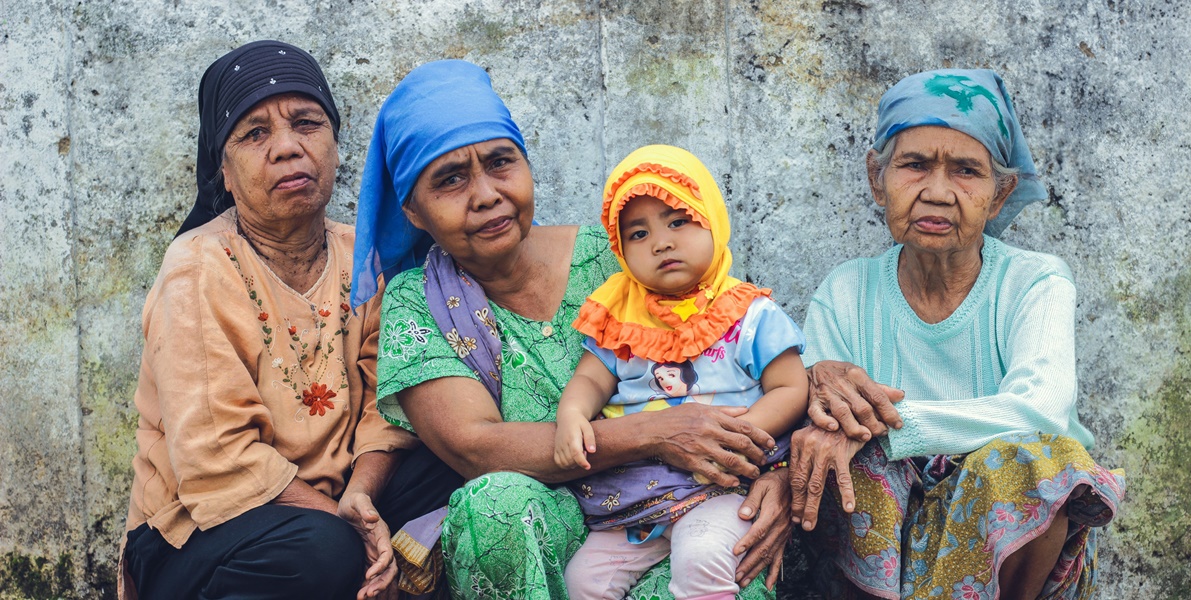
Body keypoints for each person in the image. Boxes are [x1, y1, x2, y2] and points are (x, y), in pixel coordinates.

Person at [352, 60, 795, 599]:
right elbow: (475, 448)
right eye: (450, 179)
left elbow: (745, 351)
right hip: (553, 525)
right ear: (413, 212)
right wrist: (656, 433)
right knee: (493, 504)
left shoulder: (622, 251)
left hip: (698, 501)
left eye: (500, 162)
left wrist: (778, 470)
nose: (487, 193)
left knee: (721, 566)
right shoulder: (417, 303)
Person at [787, 69, 1125, 599]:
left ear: (999, 194)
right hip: (878, 553)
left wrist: (886, 428)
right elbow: (825, 420)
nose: (938, 193)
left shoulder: (1034, 280)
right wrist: (838, 415)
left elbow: (1040, 411)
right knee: (842, 460)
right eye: (914, 165)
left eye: (967, 171)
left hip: (1009, 551)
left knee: (1032, 461)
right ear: (878, 179)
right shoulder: (847, 290)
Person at [120, 40, 420, 600]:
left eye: (306, 123)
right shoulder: (198, 268)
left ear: (334, 148)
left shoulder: (369, 257)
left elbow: (392, 401)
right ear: (225, 174)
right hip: (205, 532)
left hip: (341, 498)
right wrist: (350, 529)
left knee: (461, 481)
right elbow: (218, 460)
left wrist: (361, 499)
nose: (286, 147)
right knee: (322, 550)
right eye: (254, 133)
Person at [554, 145, 809, 600]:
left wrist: (736, 432)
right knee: (583, 580)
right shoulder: (618, 316)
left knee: (702, 556)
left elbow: (791, 387)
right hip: (637, 496)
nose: (661, 242)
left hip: (725, 484)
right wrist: (572, 414)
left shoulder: (748, 313)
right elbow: (591, 379)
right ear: (621, 249)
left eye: (678, 221)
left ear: (713, 220)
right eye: (638, 234)